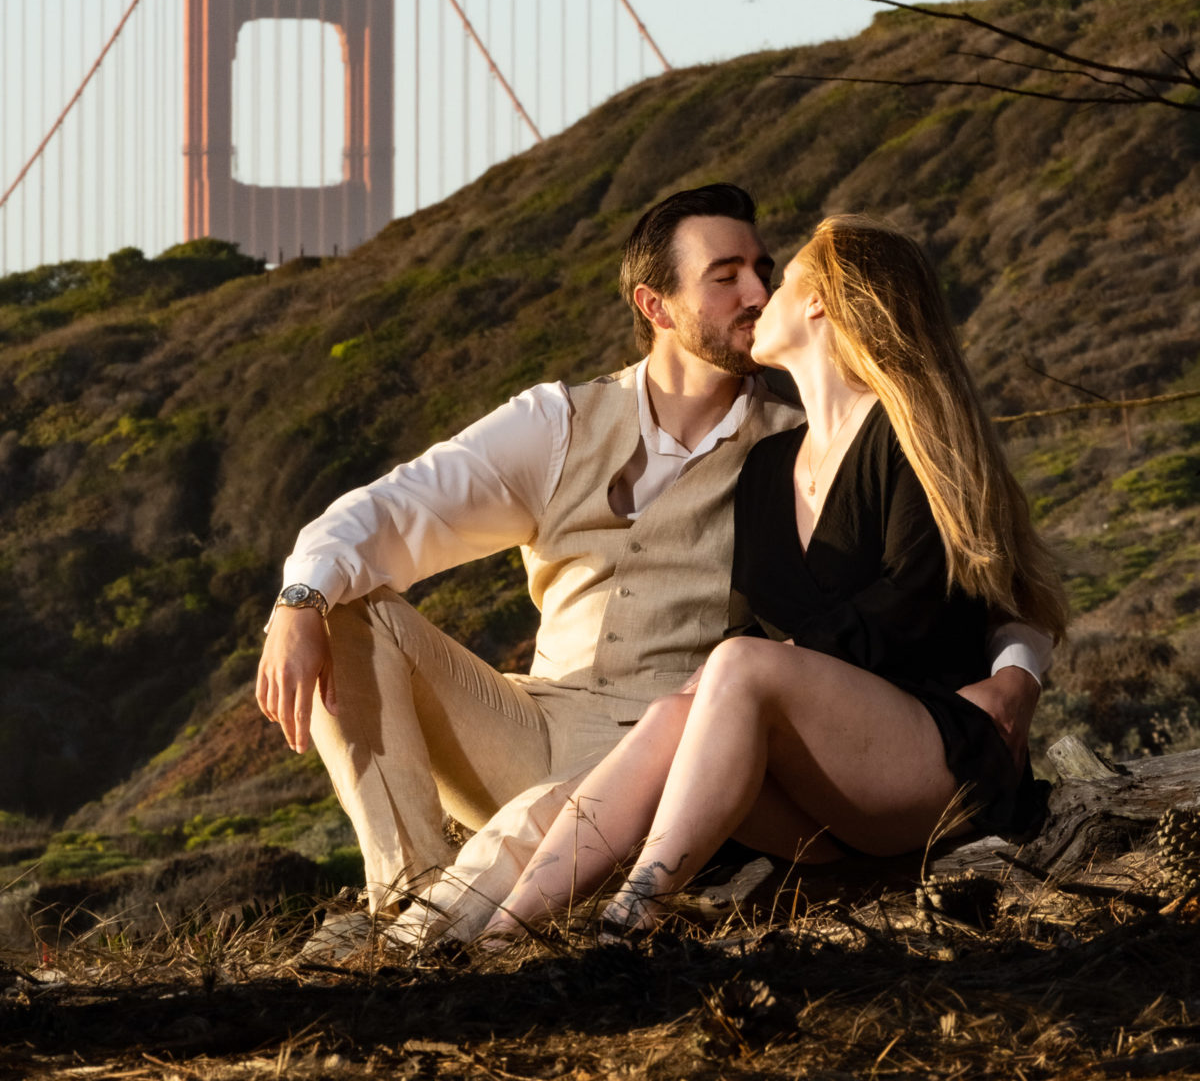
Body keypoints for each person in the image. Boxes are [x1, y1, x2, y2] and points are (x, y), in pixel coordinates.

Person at [255, 188, 1049, 954]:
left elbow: (980, 567)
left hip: (684, 741)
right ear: (655, 307)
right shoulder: (561, 424)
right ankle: (403, 903)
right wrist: (297, 601)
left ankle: (425, 948)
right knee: (341, 603)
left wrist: (1018, 676)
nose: (756, 290)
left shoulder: (810, 437)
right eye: (726, 275)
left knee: (547, 808)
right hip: (535, 723)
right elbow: (392, 509)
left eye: (765, 270)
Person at [480, 213, 1066, 944]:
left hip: (936, 758)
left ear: (819, 302)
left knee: (737, 667)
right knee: (674, 715)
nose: (762, 296)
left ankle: (628, 921)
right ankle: (503, 934)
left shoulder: (904, 431)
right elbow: (754, 626)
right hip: (820, 801)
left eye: (782, 279)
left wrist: (773, 663)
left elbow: (915, 599)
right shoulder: (765, 468)